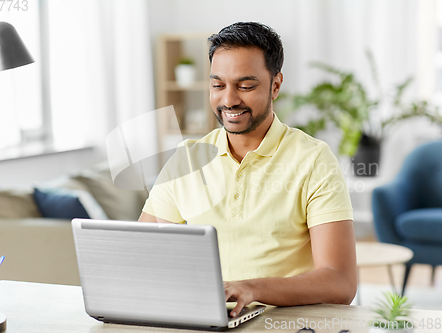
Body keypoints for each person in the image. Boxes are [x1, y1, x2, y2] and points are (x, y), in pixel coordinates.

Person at [139, 22, 357, 317]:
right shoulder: (186, 159)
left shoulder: (314, 159)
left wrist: (251, 289)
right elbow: (141, 254)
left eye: (245, 86)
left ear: (275, 85)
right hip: (205, 318)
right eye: (217, 85)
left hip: (282, 321)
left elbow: (340, 282)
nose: (229, 100)